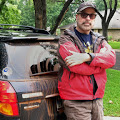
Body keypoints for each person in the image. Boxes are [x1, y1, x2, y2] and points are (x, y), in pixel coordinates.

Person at [57, 1, 116, 120]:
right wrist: (100, 63)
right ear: (77, 16)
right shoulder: (66, 39)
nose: (88, 18)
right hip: (76, 101)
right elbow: (75, 66)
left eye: (92, 15)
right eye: (84, 15)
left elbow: (111, 59)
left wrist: (87, 57)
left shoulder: (99, 39)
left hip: (97, 99)